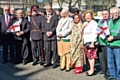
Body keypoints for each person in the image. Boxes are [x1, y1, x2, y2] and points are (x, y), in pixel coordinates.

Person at [82, 10, 98, 76]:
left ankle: (92, 69)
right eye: (86, 16)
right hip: (86, 41)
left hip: (91, 42)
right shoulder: (85, 23)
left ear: (91, 16)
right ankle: (91, 68)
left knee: (91, 56)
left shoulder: (93, 23)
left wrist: (92, 42)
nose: (88, 17)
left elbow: (94, 33)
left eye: (89, 15)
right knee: (88, 56)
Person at [106, 7, 120, 80]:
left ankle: (118, 77)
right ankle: (112, 75)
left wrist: (113, 37)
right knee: (110, 62)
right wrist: (107, 37)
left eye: (117, 13)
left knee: (118, 64)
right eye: (114, 13)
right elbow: (106, 32)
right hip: (109, 45)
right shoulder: (109, 22)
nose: (115, 14)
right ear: (111, 14)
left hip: (118, 45)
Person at [97, 10, 110, 78]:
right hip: (100, 42)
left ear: (109, 14)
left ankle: (108, 71)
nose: (104, 15)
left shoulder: (110, 21)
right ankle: (103, 69)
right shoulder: (100, 21)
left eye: (106, 14)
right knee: (101, 57)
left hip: (107, 42)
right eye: (103, 14)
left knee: (108, 58)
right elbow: (98, 29)